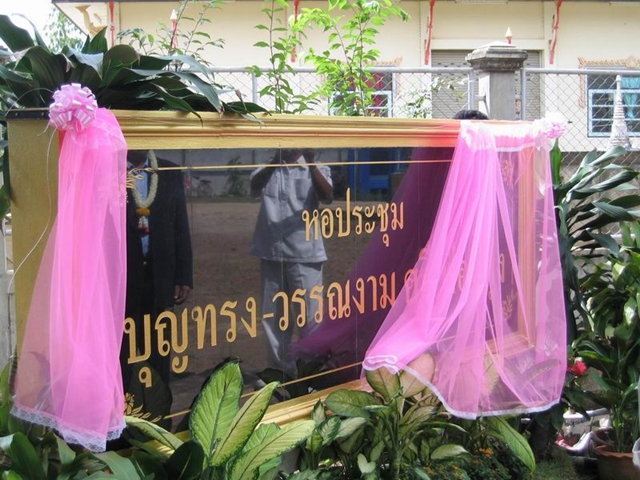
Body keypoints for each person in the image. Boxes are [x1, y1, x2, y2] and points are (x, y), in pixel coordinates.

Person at [250, 148, 333, 378]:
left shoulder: (317, 167)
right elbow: (254, 187)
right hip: (271, 251)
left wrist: (311, 162)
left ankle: (310, 371)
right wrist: (274, 162)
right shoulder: (267, 167)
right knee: (273, 317)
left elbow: (327, 196)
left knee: (310, 316)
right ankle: (279, 371)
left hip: (305, 254)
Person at [122, 149, 193, 392]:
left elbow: (180, 225)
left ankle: (159, 409)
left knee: (158, 353)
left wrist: (183, 276)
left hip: (160, 278)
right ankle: (124, 410)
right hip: (122, 281)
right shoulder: (108, 170)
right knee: (122, 354)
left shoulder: (169, 171)